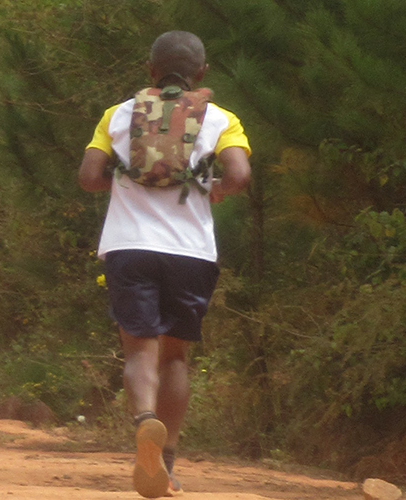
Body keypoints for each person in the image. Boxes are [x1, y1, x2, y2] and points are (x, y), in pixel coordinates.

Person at [75, 31, 252, 498]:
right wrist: (215, 186)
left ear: (150, 70)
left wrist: (125, 174)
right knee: (175, 355)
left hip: (129, 247)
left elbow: (89, 178)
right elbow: (240, 175)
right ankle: (167, 463)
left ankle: (144, 421)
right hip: (190, 251)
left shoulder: (118, 116)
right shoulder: (219, 118)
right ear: (202, 73)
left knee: (139, 351)